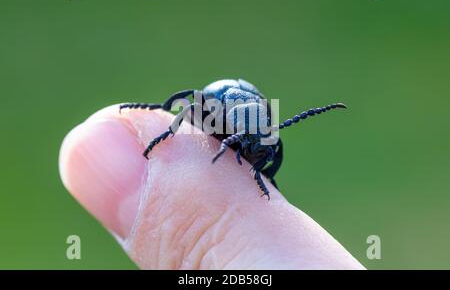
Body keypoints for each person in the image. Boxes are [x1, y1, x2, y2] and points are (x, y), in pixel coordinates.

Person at [59, 104, 364, 269]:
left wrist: (262, 172)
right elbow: (191, 102)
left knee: (272, 146)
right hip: (228, 105)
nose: (252, 147)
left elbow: (273, 149)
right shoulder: (221, 117)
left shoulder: (260, 128)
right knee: (189, 102)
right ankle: (159, 115)